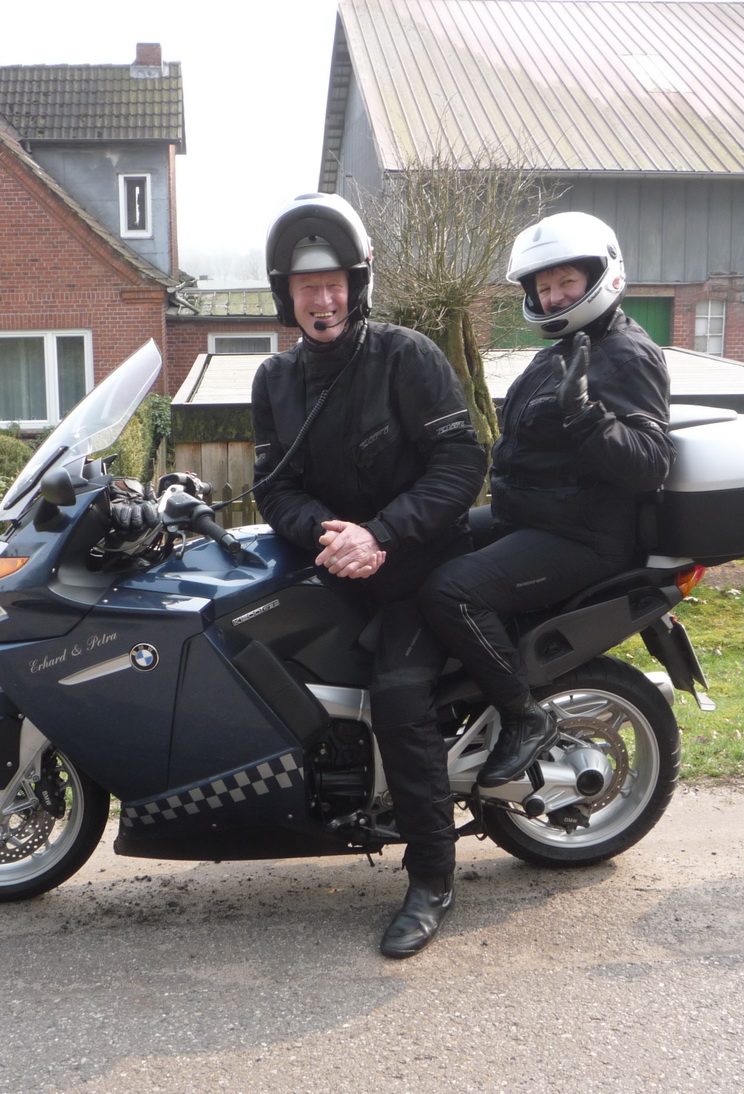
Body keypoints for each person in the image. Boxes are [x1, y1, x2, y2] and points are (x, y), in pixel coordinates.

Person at [251, 192, 487, 958]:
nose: (321, 301)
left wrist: (380, 534)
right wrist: (330, 533)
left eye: (332, 285)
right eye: (306, 288)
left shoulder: (405, 356)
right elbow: (273, 487)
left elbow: (461, 462)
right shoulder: (274, 380)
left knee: (398, 695)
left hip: (421, 566)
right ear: (286, 295)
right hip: (335, 562)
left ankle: (431, 881)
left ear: (355, 286)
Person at [419, 211, 674, 788]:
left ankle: (522, 715)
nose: (553, 297)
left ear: (600, 276)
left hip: (583, 536)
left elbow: (650, 463)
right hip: (529, 518)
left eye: (566, 282)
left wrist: (587, 417)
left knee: (452, 592)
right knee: (421, 546)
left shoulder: (626, 353)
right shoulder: (561, 348)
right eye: (543, 286)